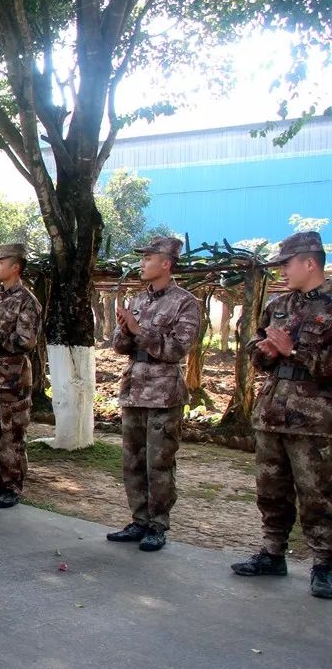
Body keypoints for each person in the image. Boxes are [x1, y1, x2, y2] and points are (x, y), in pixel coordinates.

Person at [230, 232, 332, 599]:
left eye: (286, 264)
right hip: (273, 411)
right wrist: (267, 352)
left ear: (309, 262)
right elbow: (255, 351)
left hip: (315, 419)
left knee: (318, 494)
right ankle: (273, 552)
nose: (281, 271)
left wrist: (293, 352)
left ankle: (325, 563)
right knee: (270, 489)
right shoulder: (277, 305)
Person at [106, 236, 200, 552]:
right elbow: (120, 347)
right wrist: (124, 329)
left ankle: (158, 525)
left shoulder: (185, 302)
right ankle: (139, 520)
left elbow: (176, 349)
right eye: (142, 258)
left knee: (158, 463)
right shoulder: (138, 300)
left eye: (149, 258)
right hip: (134, 388)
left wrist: (138, 330)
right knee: (132, 461)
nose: (143, 263)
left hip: (163, 393)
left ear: (166, 264)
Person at [0, 243, 42, 509]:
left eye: (0, 262)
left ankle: (13, 486)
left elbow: (25, 342)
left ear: (15, 267)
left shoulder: (27, 301)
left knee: (11, 432)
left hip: (13, 377)